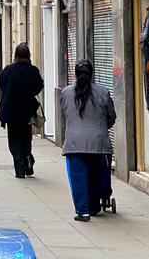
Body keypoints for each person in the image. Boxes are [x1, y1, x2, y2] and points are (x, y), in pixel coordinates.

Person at [60, 60, 116, 222]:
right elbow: (111, 116)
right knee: (96, 175)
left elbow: (65, 115)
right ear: (92, 74)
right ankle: (94, 205)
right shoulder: (103, 92)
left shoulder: (65, 93)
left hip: (74, 144)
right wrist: (102, 127)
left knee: (78, 178)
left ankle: (83, 211)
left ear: (75, 74)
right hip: (98, 143)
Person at [0, 43, 44, 179]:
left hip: (11, 111)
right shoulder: (33, 70)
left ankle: (20, 169)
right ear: (28, 55)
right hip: (27, 111)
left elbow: (2, 84)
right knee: (26, 137)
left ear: (16, 55)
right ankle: (28, 157)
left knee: (14, 140)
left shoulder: (8, 70)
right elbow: (38, 86)